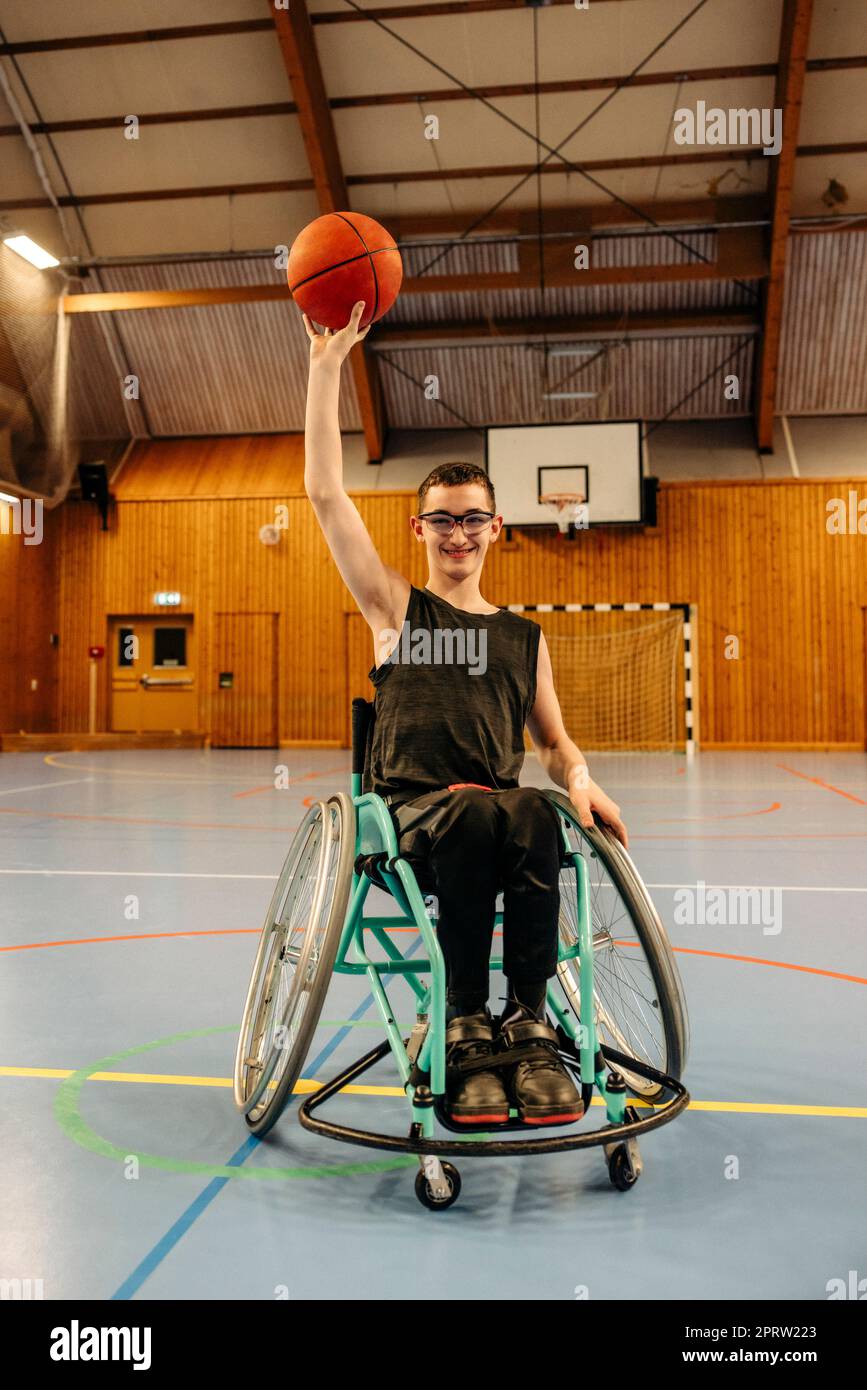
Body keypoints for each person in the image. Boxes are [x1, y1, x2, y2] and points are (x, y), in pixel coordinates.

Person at [303, 301, 628, 1127]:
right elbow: (323, 493)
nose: (458, 532)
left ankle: (525, 1019)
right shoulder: (393, 609)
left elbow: (552, 742)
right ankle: (463, 1018)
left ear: (495, 528)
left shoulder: (522, 637)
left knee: (530, 808)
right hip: (413, 810)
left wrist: (583, 782)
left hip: (494, 812)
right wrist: (326, 365)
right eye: (442, 518)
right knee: (480, 816)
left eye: (472, 518)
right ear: (419, 528)